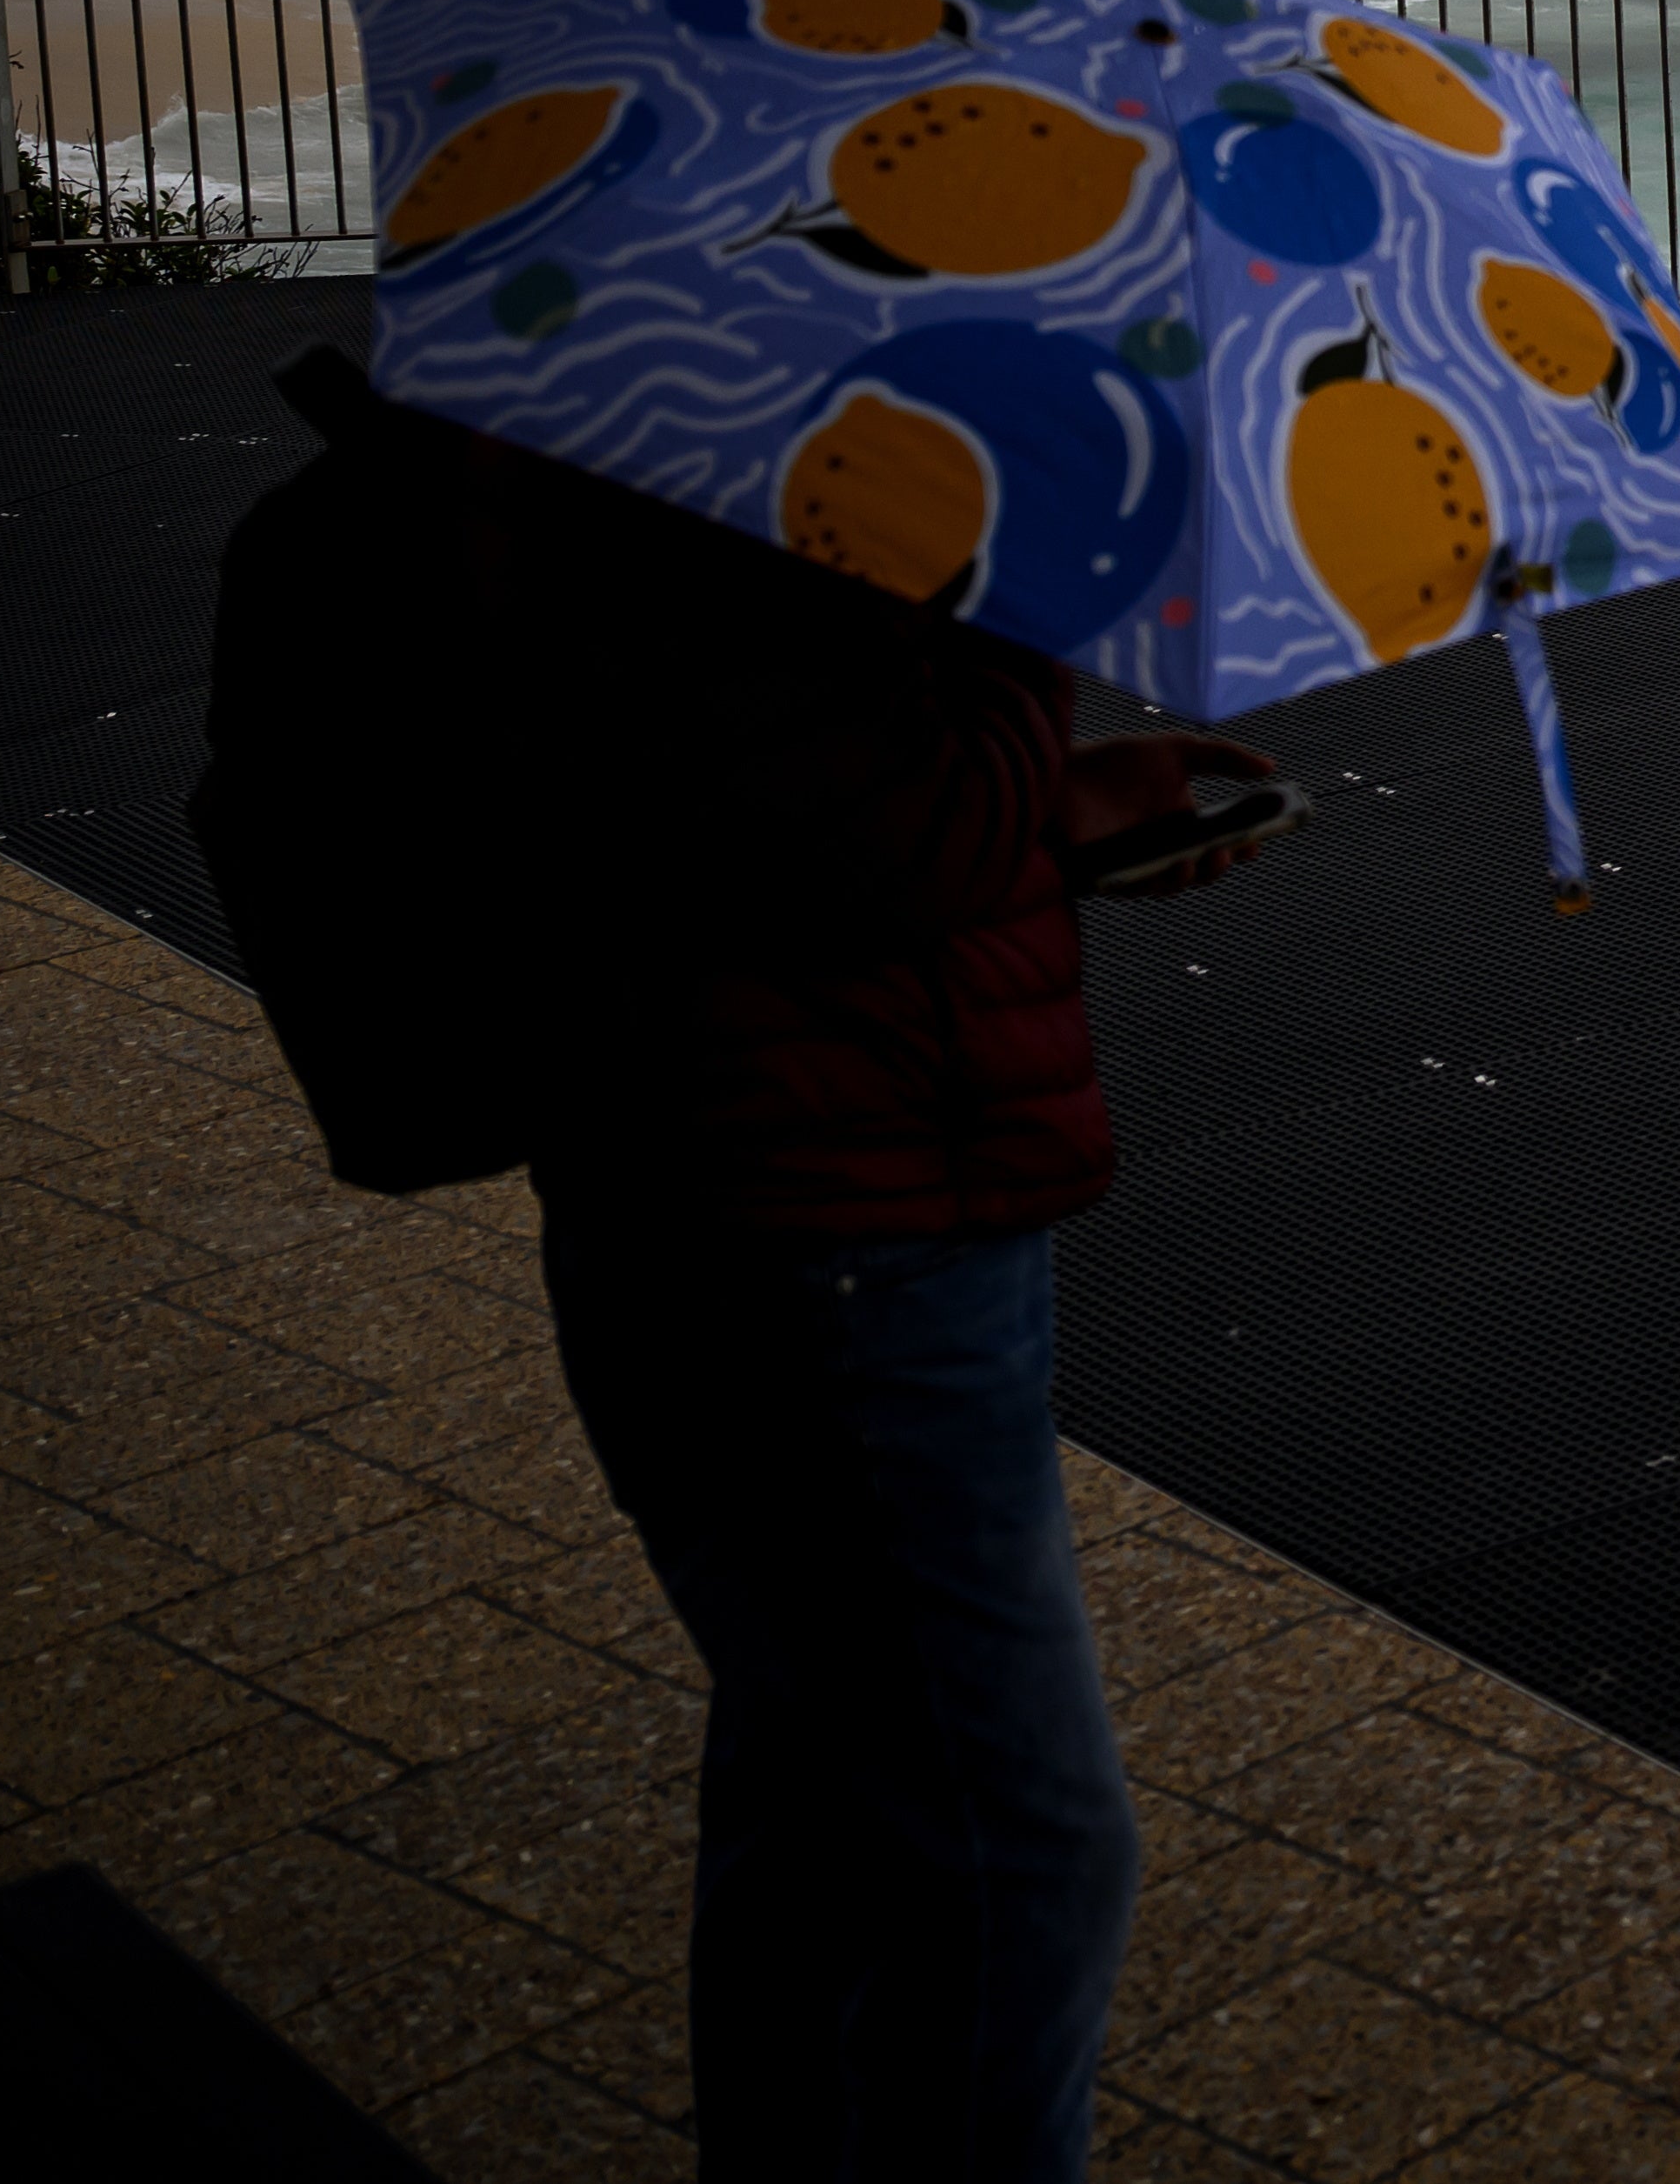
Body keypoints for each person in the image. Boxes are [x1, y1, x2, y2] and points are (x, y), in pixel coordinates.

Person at [214, 351, 1282, 2182]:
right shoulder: (695, 476)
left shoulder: (620, 424)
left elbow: (768, 818)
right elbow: (899, 818)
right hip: (832, 1230)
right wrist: (1034, 578)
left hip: (737, 1185)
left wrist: (1053, 803)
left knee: (826, 1774)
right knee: (1018, 1845)